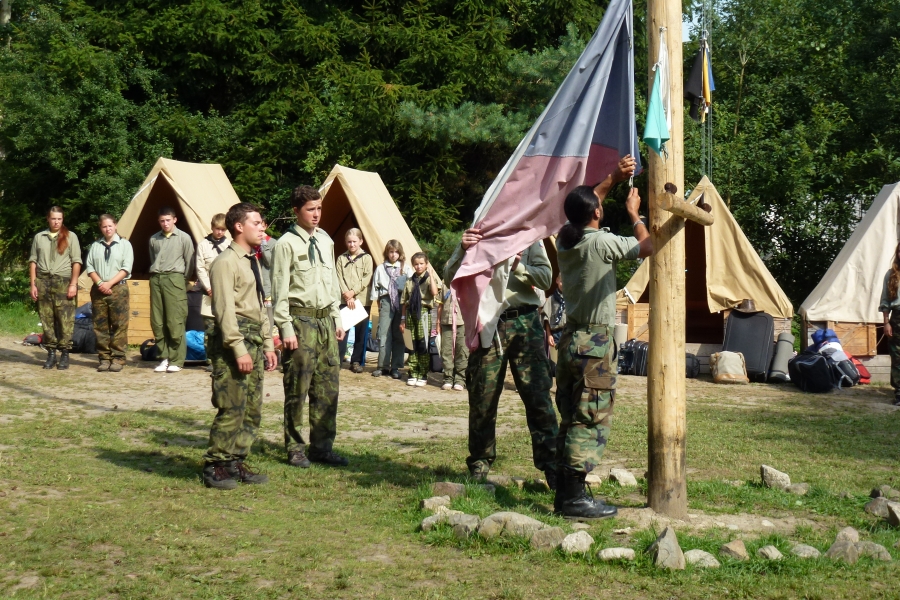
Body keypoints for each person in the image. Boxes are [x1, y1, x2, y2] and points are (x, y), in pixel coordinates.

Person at [553, 155, 652, 519]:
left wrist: (613, 176)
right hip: (594, 345)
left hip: (570, 341)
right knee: (591, 418)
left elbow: (587, 203)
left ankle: (564, 492)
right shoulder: (601, 243)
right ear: (596, 213)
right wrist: (634, 214)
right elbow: (648, 247)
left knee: (571, 417)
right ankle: (575, 500)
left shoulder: (566, 239)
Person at [447, 232, 558, 485]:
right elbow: (449, 276)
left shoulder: (529, 235)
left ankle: (552, 467)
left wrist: (518, 264)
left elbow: (545, 277)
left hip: (525, 321)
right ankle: (480, 462)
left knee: (538, 397)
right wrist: (462, 249)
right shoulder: (477, 235)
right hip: (488, 322)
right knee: (482, 396)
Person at [202, 203, 278, 489]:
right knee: (232, 405)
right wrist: (238, 348)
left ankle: (235, 460)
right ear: (238, 226)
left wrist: (268, 344)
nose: (262, 228)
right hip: (235, 339)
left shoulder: (252, 260)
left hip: (255, 336)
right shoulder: (225, 262)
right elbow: (224, 311)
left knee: (252, 407)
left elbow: (260, 305)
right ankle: (215, 465)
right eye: (256, 223)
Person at [272, 185, 348, 468]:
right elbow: (279, 290)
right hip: (300, 321)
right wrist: (285, 328)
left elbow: (332, 284)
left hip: (326, 321)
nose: (316, 214)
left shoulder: (326, 240)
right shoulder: (285, 244)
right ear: (296, 211)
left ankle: (322, 447)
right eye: (310, 209)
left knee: (328, 388)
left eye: (319, 208)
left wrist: (337, 318)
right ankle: (295, 448)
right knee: (297, 388)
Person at [29, 206, 82, 370]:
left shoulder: (71, 236)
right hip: (43, 282)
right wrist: (33, 284)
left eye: (59, 219)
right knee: (47, 319)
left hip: (63, 282)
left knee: (65, 320)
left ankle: (65, 353)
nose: (56, 222)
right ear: (48, 219)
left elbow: (76, 262)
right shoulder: (39, 237)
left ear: (63, 219)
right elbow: (33, 261)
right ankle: (51, 352)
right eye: (53, 218)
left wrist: (73, 284)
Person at [85, 214, 134, 372]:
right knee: (100, 325)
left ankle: (118, 358)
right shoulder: (95, 246)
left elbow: (126, 268)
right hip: (99, 289)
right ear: (101, 228)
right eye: (104, 226)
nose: (107, 229)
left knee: (119, 324)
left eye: (110, 226)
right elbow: (90, 266)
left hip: (118, 288)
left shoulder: (125, 245)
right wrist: (100, 283)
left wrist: (110, 283)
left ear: (115, 225)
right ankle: (104, 358)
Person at [148, 207, 194, 373]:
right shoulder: (154, 239)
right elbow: (153, 259)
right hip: (156, 278)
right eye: (162, 221)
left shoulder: (184, 238)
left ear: (174, 219)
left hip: (175, 278)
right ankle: (164, 357)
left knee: (175, 320)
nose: (165, 223)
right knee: (158, 320)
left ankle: (176, 359)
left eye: (168, 220)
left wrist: (182, 280)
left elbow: (190, 262)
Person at [370, 240, 413, 379]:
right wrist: (379, 304)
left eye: (396, 252)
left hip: (401, 301)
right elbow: (375, 288)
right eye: (391, 252)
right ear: (387, 253)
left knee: (399, 334)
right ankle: (382, 366)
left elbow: (411, 287)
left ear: (400, 253)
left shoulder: (405, 268)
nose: (393, 255)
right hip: (386, 300)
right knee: (383, 333)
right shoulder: (381, 268)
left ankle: (396, 367)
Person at [399, 252, 440, 386]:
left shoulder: (428, 279)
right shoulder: (409, 281)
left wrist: (432, 276)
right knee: (411, 343)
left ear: (426, 264)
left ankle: (422, 373)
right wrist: (403, 319)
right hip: (410, 313)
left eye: (421, 264)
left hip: (423, 312)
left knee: (423, 343)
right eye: (416, 264)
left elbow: (434, 292)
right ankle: (413, 372)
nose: (419, 266)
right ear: (413, 265)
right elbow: (404, 302)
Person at [336, 228, 374, 373]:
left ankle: (356, 361)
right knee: (342, 331)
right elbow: (339, 277)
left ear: (361, 241)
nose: (352, 244)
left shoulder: (367, 258)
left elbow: (366, 277)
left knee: (361, 333)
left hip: (362, 300)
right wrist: (347, 295)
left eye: (354, 241)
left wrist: (353, 293)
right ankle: (338, 360)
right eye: (349, 242)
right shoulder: (341, 259)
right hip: (344, 300)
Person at [195, 214, 229, 368]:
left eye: (223, 230)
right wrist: (208, 287)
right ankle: (210, 359)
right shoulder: (203, 245)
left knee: (224, 327)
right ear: (212, 227)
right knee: (210, 328)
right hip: (208, 293)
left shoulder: (229, 245)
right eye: (217, 229)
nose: (219, 232)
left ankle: (224, 359)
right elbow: (200, 268)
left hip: (225, 291)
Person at [879, 240, 900, 406]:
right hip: (897, 318)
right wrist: (886, 322)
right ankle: (899, 393)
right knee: (897, 357)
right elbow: (885, 301)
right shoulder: (891, 275)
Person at [439, 280, 468, 391]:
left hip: (463, 321)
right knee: (446, 351)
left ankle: (460, 379)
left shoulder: (466, 282)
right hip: (446, 321)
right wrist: (437, 322)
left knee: (462, 350)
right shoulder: (444, 283)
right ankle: (448, 378)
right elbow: (440, 304)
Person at [541, 275, 566, 373]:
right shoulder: (552, 299)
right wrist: (549, 335)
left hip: (569, 332)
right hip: (556, 334)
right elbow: (546, 318)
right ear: (557, 280)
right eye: (561, 281)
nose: (563, 284)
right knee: (555, 364)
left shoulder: (572, 299)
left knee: (568, 361)